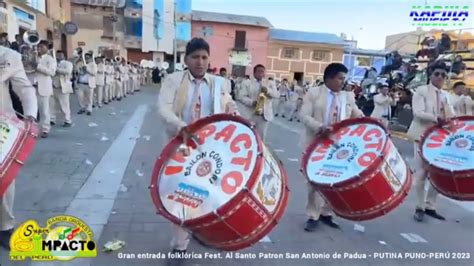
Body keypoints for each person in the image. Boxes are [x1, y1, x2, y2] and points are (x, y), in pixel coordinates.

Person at [157, 38, 238, 254]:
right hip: (181, 146)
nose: (200, 62)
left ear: (209, 59)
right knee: (181, 194)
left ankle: (201, 231)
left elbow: (228, 103)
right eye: (195, 57)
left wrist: (233, 112)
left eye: (204, 57)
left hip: (210, 150)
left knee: (206, 193)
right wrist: (181, 126)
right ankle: (180, 244)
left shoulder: (219, 83)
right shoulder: (173, 80)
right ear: (186, 59)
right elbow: (163, 109)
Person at [300, 63, 363, 232]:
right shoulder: (313, 93)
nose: (343, 82)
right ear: (329, 78)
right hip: (316, 142)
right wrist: (320, 127)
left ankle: (326, 213)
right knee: (314, 181)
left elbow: (356, 113)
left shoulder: (347, 96)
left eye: (344, 79)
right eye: (340, 78)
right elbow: (304, 115)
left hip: (338, 145)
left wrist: (369, 121)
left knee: (335, 179)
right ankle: (312, 215)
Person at [0, 45, 38, 250]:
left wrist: (30, 114)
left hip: (2, 124)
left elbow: (24, 88)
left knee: (4, 177)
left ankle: (5, 226)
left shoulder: (8, 56)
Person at [407, 62, 454, 222]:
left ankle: (430, 206)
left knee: (439, 173)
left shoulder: (447, 95)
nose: (440, 77)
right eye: (437, 74)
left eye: (443, 75)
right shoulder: (421, 91)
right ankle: (419, 207)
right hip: (422, 136)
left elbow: (451, 114)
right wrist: (436, 119)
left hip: (440, 139)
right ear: (430, 75)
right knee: (421, 172)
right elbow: (418, 113)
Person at [239, 64, 279, 141]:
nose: (261, 73)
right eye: (259, 71)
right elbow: (242, 97)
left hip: (264, 115)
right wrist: (252, 102)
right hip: (251, 114)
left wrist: (267, 90)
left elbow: (276, 95)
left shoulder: (270, 83)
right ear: (254, 73)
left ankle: (260, 152)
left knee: (261, 138)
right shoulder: (247, 83)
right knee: (249, 136)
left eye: (263, 71)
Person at [35, 40, 57, 137]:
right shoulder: (33, 57)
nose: (39, 49)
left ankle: (45, 129)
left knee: (44, 110)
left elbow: (51, 72)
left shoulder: (50, 59)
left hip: (43, 87)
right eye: (38, 46)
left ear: (47, 49)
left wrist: (37, 66)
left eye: (42, 47)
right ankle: (33, 128)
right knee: (32, 109)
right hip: (31, 86)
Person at [50, 50, 73, 127]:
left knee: (64, 105)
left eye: (60, 55)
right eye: (57, 55)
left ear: (64, 56)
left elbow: (68, 71)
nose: (58, 56)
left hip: (63, 87)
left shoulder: (68, 63)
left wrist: (57, 69)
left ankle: (67, 120)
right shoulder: (53, 63)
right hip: (53, 86)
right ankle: (52, 119)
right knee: (52, 105)